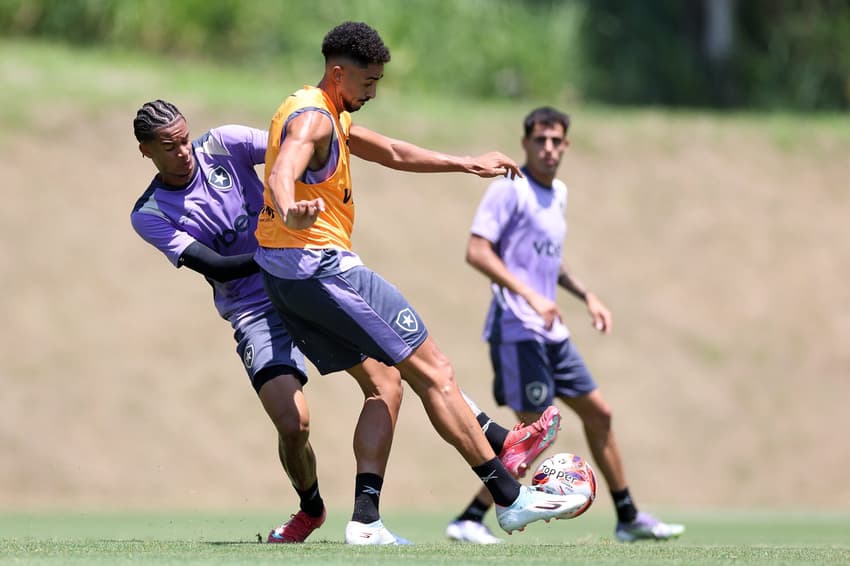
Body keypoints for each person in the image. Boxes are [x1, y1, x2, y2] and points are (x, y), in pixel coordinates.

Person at [129, 99, 563, 545]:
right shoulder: (150, 214)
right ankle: (311, 509)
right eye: (169, 146)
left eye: (185, 138)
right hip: (255, 309)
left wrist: (456, 162)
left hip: (303, 281)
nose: (184, 151)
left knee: (391, 379)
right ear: (146, 151)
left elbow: (296, 153)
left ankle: (371, 515)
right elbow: (216, 266)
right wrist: (277, 249)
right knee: (293, 425)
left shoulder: (223, 143)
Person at [254, 20, 590, 541]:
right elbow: (284, 168)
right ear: (339, 73)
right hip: (322, 270)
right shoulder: (314, 121)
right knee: (435, 369)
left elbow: (389, 151)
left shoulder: (318, 108)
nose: (374, 91)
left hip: (287, 279)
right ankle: (511, 495)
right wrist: (287, 204)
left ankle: (366, 521)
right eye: (368, 82)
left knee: (386, 382)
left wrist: (465, 163)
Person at [446, 106, 685, 543]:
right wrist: (531, 295)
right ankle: (469, 518)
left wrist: (586, 295)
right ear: (525, 144)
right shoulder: (509, 189)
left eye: (557, 141)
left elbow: (548, 262)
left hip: (552, 333)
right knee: (534, 435)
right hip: (517, 330)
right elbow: (477, 251)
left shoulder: (558, 194)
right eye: (540, 140)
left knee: (600, 414)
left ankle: (628, 517)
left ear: (566, 145)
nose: (549, 148)